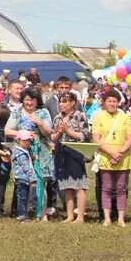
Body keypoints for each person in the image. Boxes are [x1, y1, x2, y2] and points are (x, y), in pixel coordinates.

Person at [6, 89, 54, 219]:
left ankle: (42, 214)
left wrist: (39, 122)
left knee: (41, 180)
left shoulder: (43, 112)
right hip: (23, 152)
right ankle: (24, 212)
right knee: (24, 181)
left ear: (37, 100)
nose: (29, 102)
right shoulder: (17, 112)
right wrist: (22, 134)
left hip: (41, 152)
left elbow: (48, 132)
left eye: (32, 99)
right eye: (27, 99)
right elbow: (7, 130)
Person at [92, 89, 131, 227]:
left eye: (114, 101)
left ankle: (121, 218)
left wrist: (119, 153)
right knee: (107, 187)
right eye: (109, 101)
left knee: (121, 188)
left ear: (118, 102)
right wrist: (111, 153)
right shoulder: (98, 117)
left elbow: (130, 138)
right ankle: (107, 218)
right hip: (105, 156)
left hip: (123, 156)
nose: (112, 103)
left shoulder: (125, 117)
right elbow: (96, 139)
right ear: (104, 102)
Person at [51, 93, 90, 223]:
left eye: (65, 101)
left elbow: (84, 136)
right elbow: (53, 137)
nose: (61, 104)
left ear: (73, 103)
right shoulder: (57, 118)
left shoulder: (80, 116)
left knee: (79, 185)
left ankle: (80, 216)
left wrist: (68, 131)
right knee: (66, 185)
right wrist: (59, 133)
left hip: (75, 152)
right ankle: (69, 216)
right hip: (60, 153)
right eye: (60, 101)